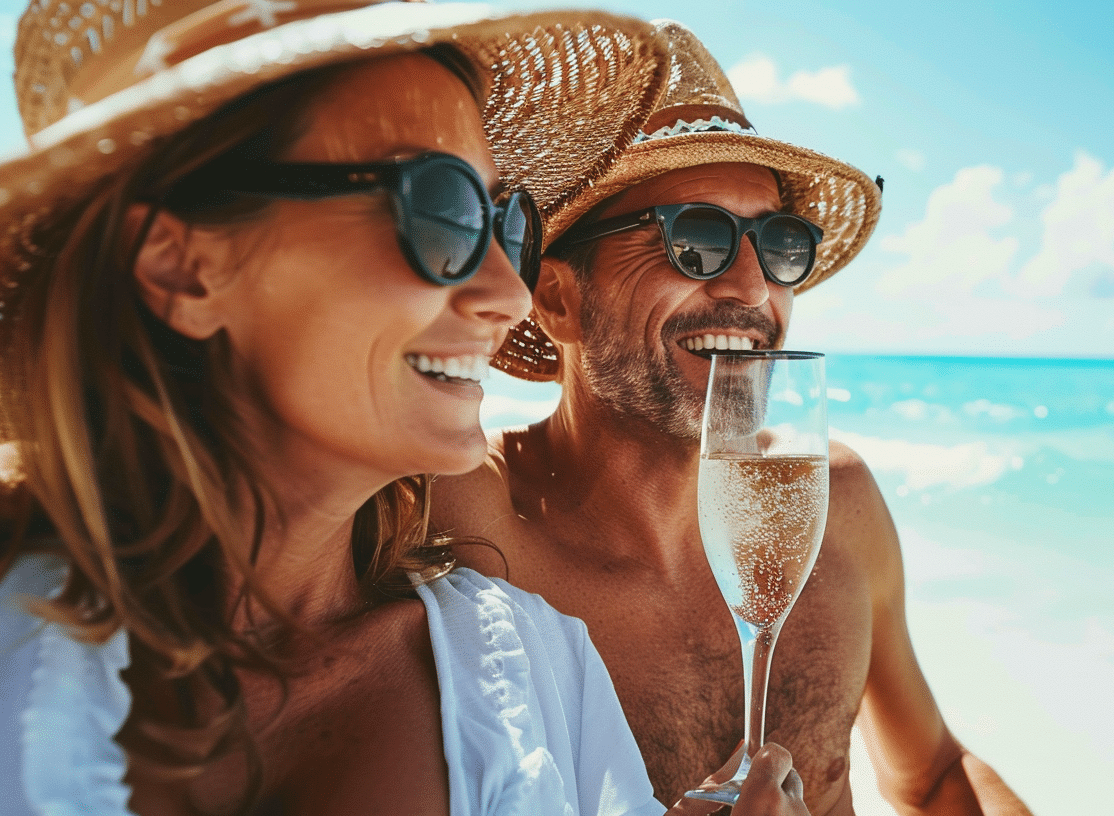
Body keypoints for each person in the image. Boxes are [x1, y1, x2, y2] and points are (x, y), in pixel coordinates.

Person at [0, 3, 808, 814]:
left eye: (507, 223)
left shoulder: (537, 665)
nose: (506, 291)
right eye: (441, 209)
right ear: (182, 267)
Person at [432, 21, 1034, 816]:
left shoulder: (836, 504)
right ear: (555, 298)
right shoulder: (462, 523)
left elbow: (928, 777)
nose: (752, 288)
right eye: (698, 240)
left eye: (781, 245)